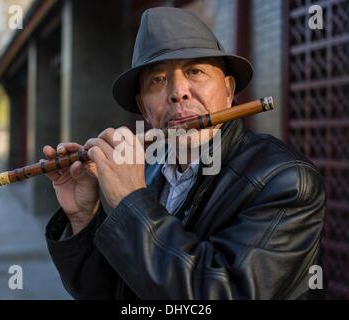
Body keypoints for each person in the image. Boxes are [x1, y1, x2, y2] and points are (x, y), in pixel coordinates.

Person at [43, 7, 326, 299]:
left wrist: (132, 201)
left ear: (229, 91)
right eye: (157, 80)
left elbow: (218, 294)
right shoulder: (147, 173)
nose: (178, 92)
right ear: (144, 109)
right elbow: (111, 293)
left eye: (195, 71)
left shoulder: (286, 180)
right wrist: (82, 217)